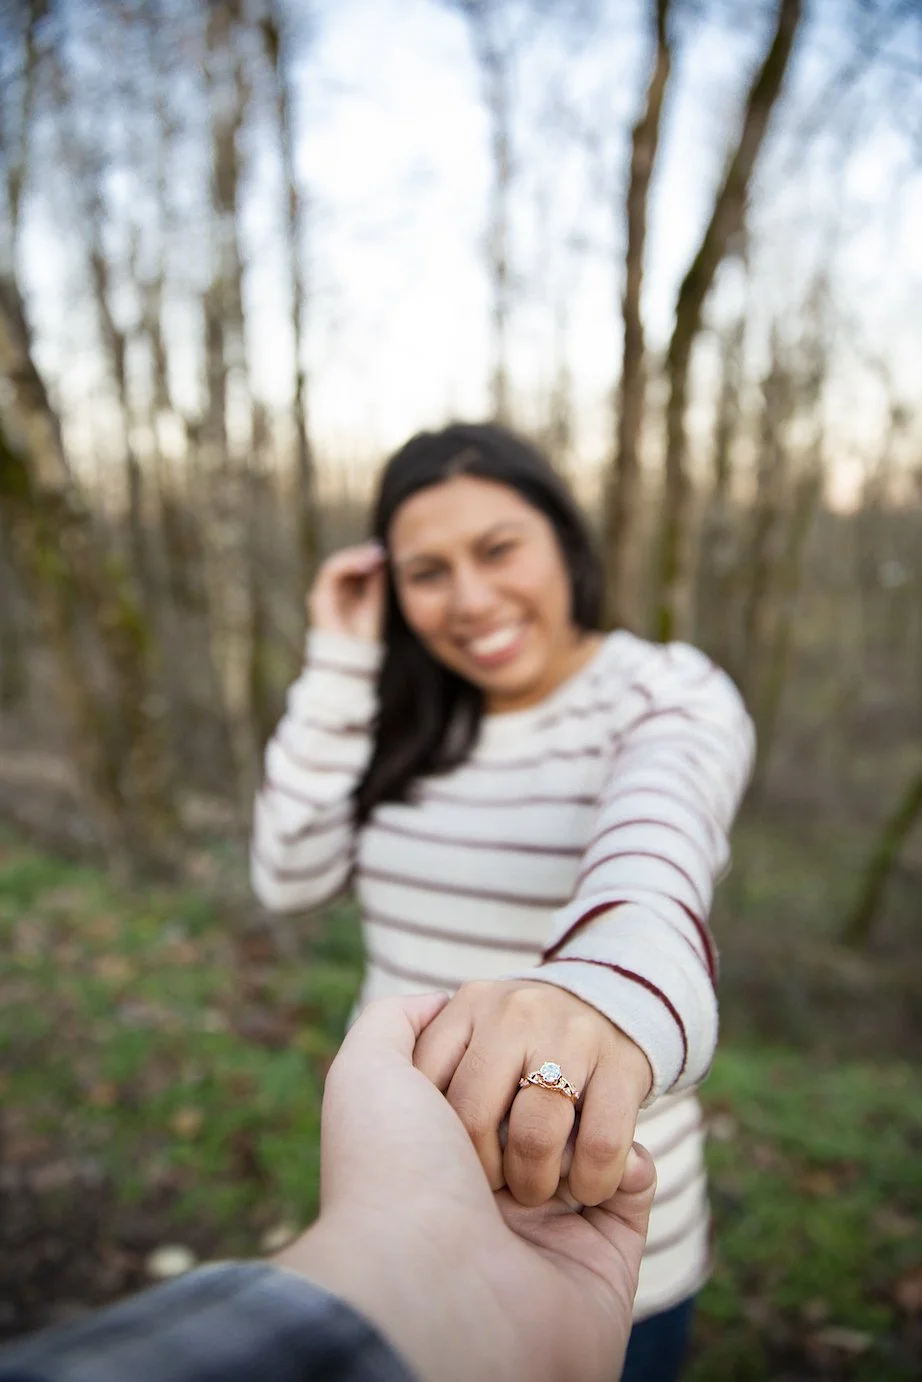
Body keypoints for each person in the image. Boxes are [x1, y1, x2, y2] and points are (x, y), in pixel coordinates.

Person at [252, 422, 756, 1382]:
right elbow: (289, 874)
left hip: (597, 1240)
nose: (472, 599)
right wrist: (340, 657)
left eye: (497, 550)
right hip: (389, 1206)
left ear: (565, 542)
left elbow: (657, 861)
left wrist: (601, 996)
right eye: (428, 573)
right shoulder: (400, 712)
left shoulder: (663, 692)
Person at [0, 993, 656, 1382]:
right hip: (423, 1173)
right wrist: (426, 1260)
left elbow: (664, 876)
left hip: (605, 1226)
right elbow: (290, 876)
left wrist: (601, 1004)